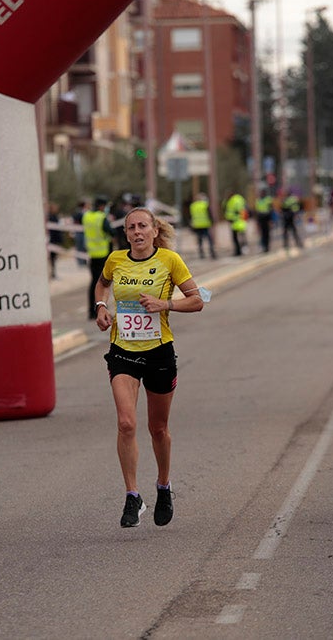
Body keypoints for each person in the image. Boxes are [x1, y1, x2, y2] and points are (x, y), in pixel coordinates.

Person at [93, 207, 204, 528]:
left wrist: (165, 304)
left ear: (155, 231)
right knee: (126, 423)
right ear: (125, 233)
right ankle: (132, 495)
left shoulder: (170, 261)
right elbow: (102, 286)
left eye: (143, 226)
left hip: (159, 352)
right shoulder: (116, 260)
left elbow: (197, 300)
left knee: (158, 429)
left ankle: (164, 486)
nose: (137, 232)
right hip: (123, 350)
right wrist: (101, 307)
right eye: (131, 228)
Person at [83, 196, 114, 319]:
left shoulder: (86, 216)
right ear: (102, 206)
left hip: (92, 254)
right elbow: (111, 232)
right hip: (103, 254)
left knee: (93, 283)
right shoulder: (101, 218)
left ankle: (92, 311)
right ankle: (102, 309)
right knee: (103, 284)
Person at [189, 192, 217, 259]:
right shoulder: (205, 205)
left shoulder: (193, 206)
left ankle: (201, 253)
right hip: (205, 224)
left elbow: (190, 216)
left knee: (200, 240)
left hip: (197, 225)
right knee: (209, 239)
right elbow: (209, 214)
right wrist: (213, 222)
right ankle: (212, 252)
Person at [224, 191, 248, 256]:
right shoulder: (240, 199)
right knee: (242, 236)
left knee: (236, 237)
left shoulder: (232, 201)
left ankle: (238, 251)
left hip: (235, 221)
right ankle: (243, 249)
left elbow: (234, 211)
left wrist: (230, 217)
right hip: (240, 221)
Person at [47, 202, 65, 279]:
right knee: (52, 258)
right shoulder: (51, 217)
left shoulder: (54, 216)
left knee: (54, 259)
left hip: (55, 240)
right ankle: (53, 274)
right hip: (52, 240)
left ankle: (53, 273)